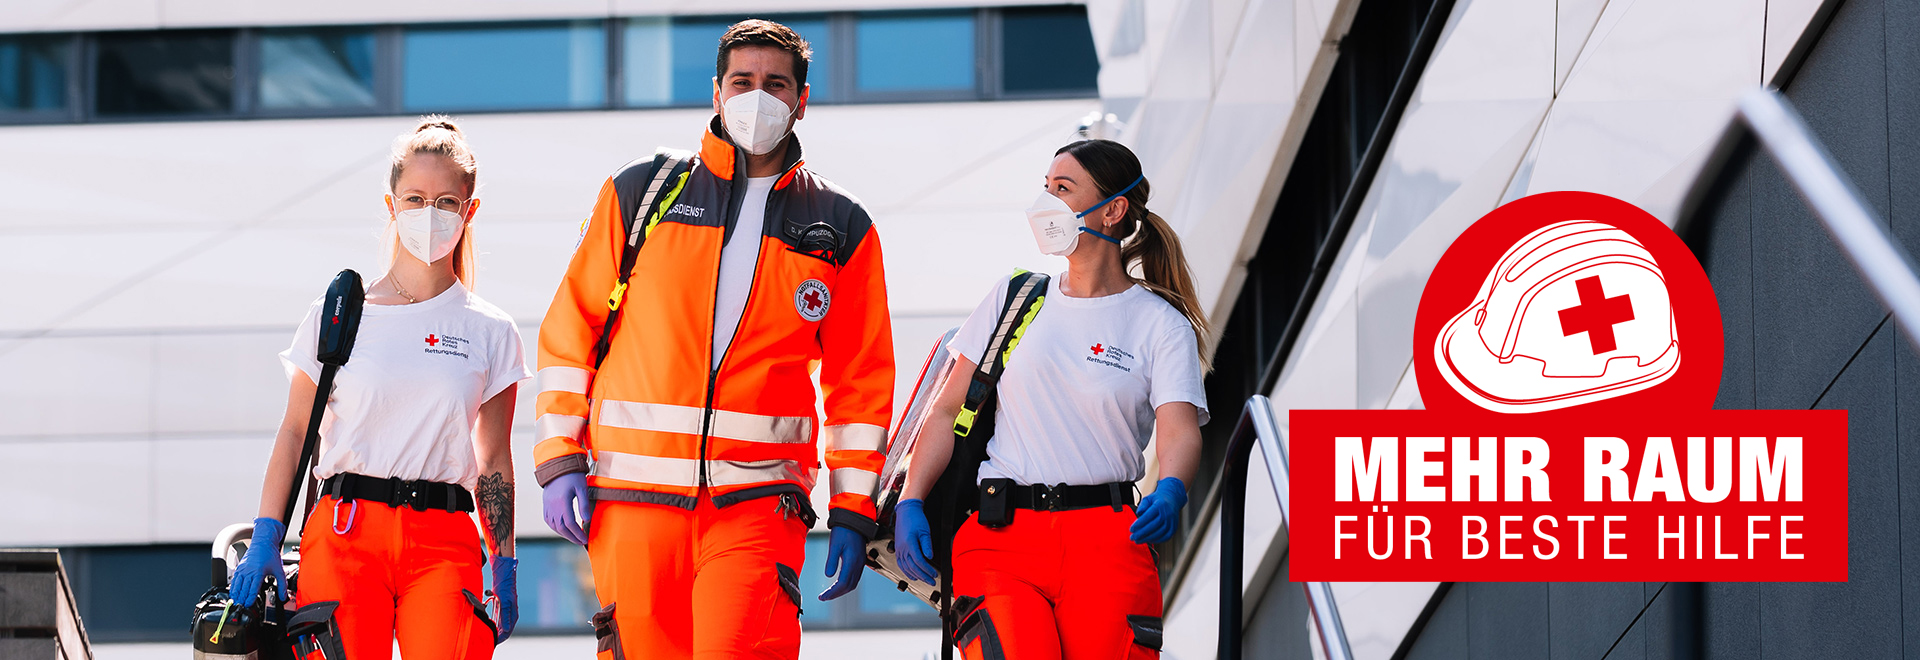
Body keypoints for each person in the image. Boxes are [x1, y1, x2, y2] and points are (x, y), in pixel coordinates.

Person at [532, 19, 894, 659]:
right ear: (718, 92)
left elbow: (859, 381)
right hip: (631, 499)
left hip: (758, 503)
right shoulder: (643, 191)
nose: (758, 97)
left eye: (776, 84)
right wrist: (559, 456)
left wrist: (853, 505)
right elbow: (572, 329)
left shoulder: (840, 224)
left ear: (802, 100)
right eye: (742, 81)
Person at [892, 139, 1210, 659]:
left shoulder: (1160, 325)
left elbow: (1179, 428)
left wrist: (1173, 486)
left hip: (1108, 541)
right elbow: (947, 410)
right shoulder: (1014, 298)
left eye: (1063, 189)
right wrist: (911, 499)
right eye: (1046, 187)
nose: (1046, 203)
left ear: (1112, 210)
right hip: (1000, 535)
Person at [230, 117, 526, 659]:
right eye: (414, 199)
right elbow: (295, 432)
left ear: (469, 210)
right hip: (345, 532)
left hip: (444, 541)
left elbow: (493, 461)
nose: (428, 213)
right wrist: (266, 533)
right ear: (392, 205)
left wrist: (504, 561)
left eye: (445, 201)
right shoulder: (339, 316)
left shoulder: (490, 330)